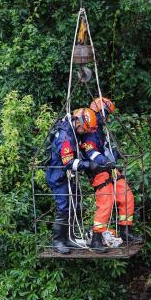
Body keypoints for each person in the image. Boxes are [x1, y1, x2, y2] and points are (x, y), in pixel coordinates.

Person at [79, 97, 143, 246]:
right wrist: (105, 162)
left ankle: (125, 231)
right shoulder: (89, 130)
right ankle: (97, 238)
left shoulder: (100, 130)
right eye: (106, 114)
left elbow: (105, 149)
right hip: (98, 171)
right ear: (99, 113)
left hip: (109, 168)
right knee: (106, 201)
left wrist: (114, 154)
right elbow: (92, 153)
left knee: (126, 195)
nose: (107, 118)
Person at [46, 108, 111, 254]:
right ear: (77, 121)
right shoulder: (65, 137)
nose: (84, 132)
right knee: (63, 207)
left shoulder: (73, 131)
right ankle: (58, 240)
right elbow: (68, 162)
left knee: (74, 204)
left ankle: (68, 238)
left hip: (68, 175)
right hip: (58, 175)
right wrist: (89, 165)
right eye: (84, 129)